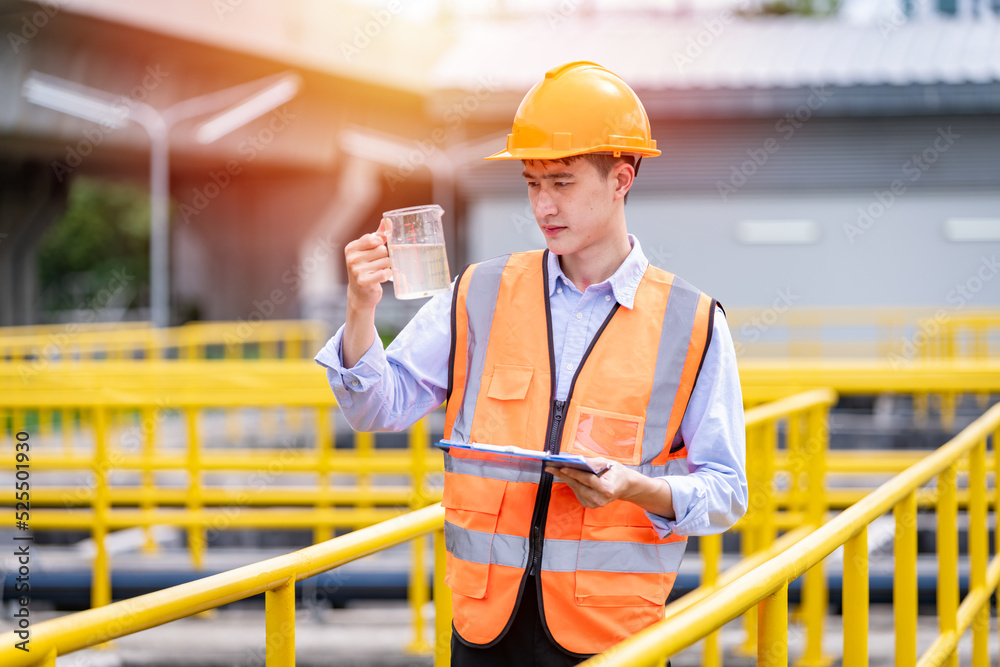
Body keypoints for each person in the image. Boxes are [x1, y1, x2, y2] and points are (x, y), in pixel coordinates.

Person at [315, 61, 747, 666]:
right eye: (532, 183)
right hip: (485, 632)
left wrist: (636, 488)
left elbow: (727, 491)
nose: (543, 205)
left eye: (563, 183)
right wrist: (361, 308)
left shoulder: (692, 322)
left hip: (613, 641)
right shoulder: (480, 292)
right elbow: (374, 409)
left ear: (621, 179)